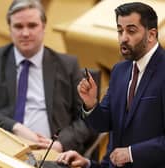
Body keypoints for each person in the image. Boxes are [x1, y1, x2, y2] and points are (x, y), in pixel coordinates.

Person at [56, 2, 165, 168]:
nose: (123, 38)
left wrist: (131, 153)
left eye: (131, 31)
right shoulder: (120, 70)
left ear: (151, 35)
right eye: (120, 31)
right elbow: (103, 124)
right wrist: (91, 103)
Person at [0, 0, 96, 154]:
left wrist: (60, 144)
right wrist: (14, 127)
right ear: (9, 28)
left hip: (52, 156)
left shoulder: (68, 66)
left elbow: (88, 118)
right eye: (18, 26)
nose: (25, 33)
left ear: (43, 27)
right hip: (3, 151)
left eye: (32, 25)